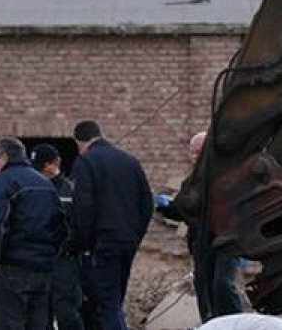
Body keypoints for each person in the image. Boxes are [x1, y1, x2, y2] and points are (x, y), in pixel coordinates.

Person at [69, 120, 153, 330]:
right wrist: (135, 235)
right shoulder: (130, 161)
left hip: (102, 244)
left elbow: (83, 208)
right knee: (115, 301)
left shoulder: (85, 162)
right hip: (127, 242)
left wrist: (83, 245)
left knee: (105, 305)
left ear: (79, 141)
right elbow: (147, 203)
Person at [157, 132, 247, 320]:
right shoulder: (191, 182)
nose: (196, 156)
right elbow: (184, 209)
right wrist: (165, 207)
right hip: (201, 240)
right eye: (193, 153)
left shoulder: (228, 175)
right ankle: (210, 322)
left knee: (222, 284)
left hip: (226, 238)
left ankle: (236, 322)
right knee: (203, 284)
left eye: (199, 152)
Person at [0, 136, 66, 330]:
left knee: (12, 323)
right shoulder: (45, 183)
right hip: (43, 269)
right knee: (39, 324)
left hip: (13, 268)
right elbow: (61, 226)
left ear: (3, 156)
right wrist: (50, 255)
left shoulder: (1, 182)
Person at [30, 143, 82, 330]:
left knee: (67, 313)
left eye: (45, 166)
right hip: (39, 261)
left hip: (65, 262)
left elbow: (81, 225)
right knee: (41, 317)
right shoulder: (32, 190)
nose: (42, 172)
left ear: (56, 162)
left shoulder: (71, 190)